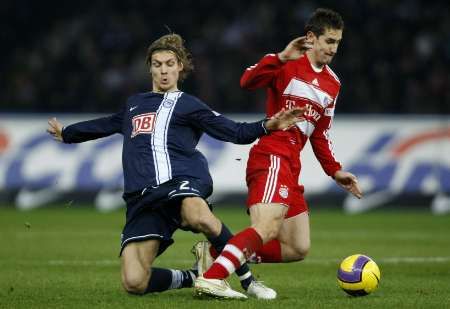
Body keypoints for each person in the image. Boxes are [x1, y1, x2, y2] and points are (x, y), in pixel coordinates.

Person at [46, 33, 305, 300]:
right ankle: (195, 275)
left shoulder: (189, 104)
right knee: (134, 281)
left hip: (182, 180)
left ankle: (248, 281)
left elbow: (234, 132)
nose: (164, 70)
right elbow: (104, 124)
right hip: (143, 197)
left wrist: (267, 125)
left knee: (199, 215)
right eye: (157, 64)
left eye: (170, 63)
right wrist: (68, 133)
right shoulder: (134, 104)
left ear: (180, 66)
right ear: (150, 68)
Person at [194, 8, 363, 298]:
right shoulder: (286, 64)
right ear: (311, 38)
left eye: (337, 43)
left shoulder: (333, 83)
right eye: (329, 41)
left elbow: (320, 134)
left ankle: (217, 252)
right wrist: (281, 57)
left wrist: (335, 170)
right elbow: (246, 82)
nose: (334, 49)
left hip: (292, 163)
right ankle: (213, 277)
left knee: (297, 246)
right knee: (267, 226)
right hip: (271, 154)